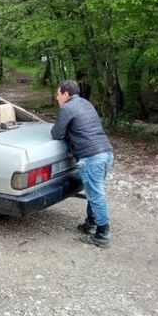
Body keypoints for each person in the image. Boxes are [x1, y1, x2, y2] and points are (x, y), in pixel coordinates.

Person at [50, 80, 114, 248]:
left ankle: (102, 234)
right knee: (94, 191)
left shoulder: (66, 108)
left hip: (92, 156)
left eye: (58, 94)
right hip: (106, 152)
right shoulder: (86, 103)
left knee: (96, 195)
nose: (57, 98)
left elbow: (57, 133)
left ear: (65, 94)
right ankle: (90, 223)